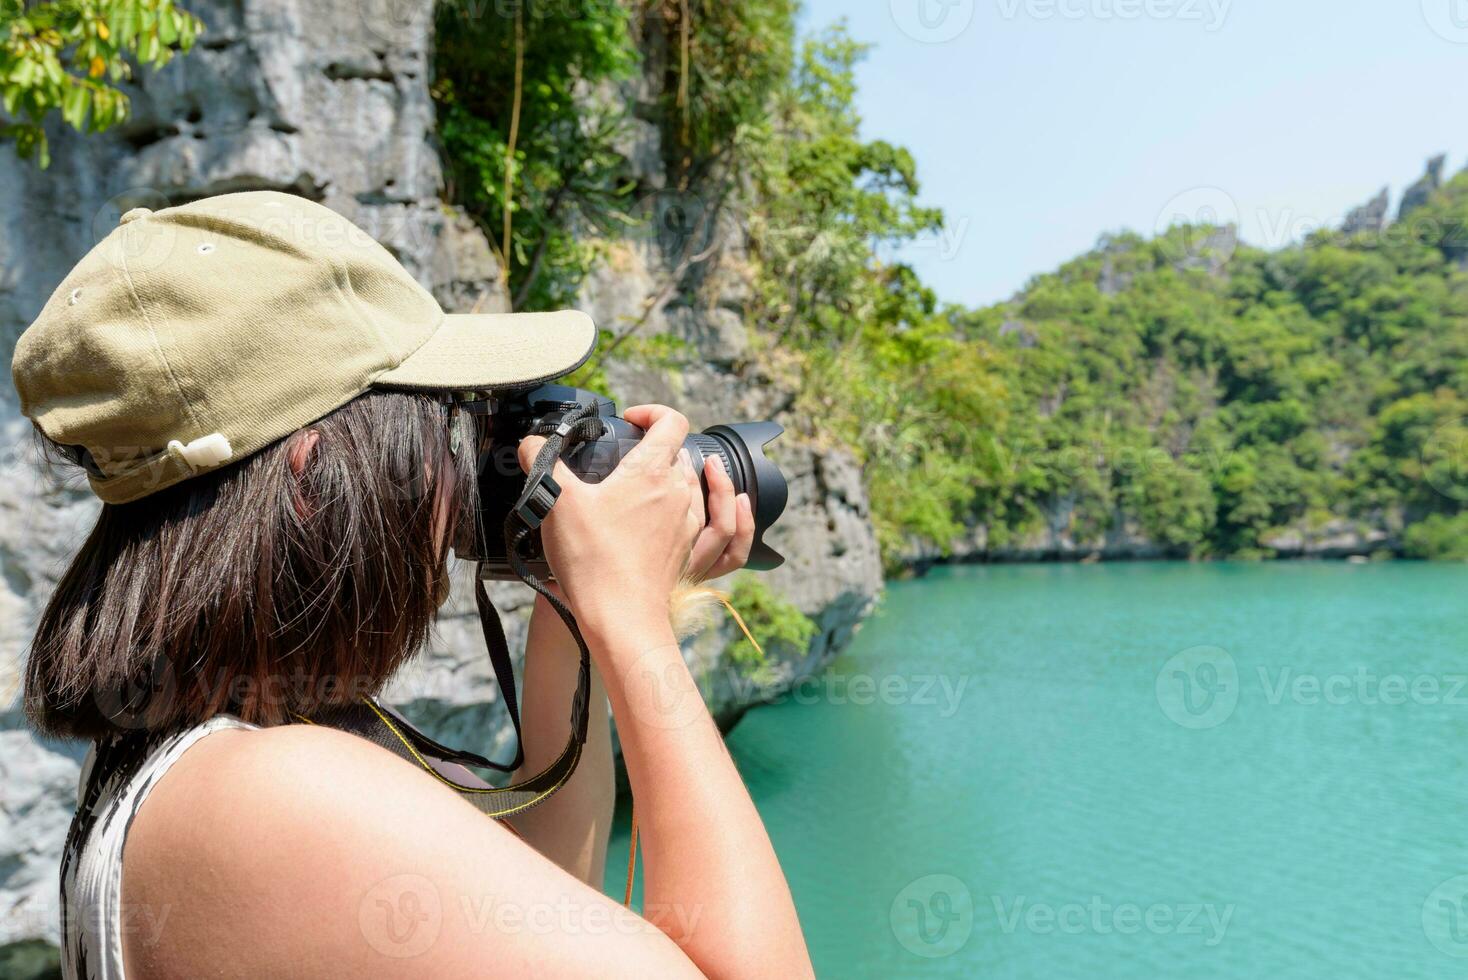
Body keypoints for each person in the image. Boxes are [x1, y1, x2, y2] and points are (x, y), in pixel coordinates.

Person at [14, 192, 813, 979]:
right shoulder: (272, 797)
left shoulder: (176, 759)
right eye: (442, 424)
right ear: (312, 474)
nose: (460, 469)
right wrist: (633, 624)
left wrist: (571, 599)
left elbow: (556, 914)